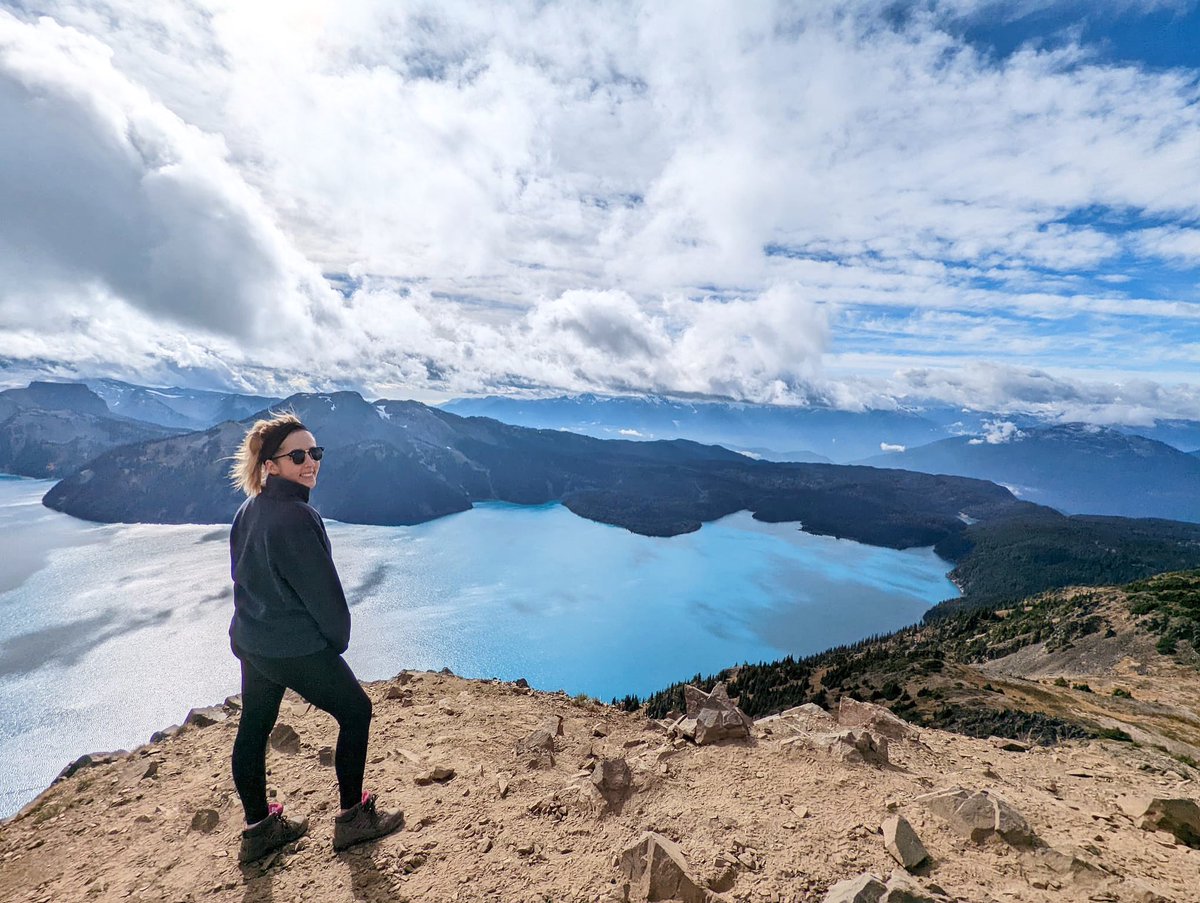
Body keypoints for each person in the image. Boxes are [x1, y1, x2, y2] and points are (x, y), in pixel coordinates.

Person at [227, 411, 403, 864]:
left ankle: (259, 830)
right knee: (356, 711)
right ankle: (352, 819)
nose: (311, 462)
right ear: (271, 465)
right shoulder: (297, 517)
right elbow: (325, 596)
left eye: (315, 452)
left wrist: (248, 634)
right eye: (298, 456)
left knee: (255, 726)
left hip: (253, 641)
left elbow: (242, 580)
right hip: (293, 647)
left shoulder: (248, 511)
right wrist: (335, 644)